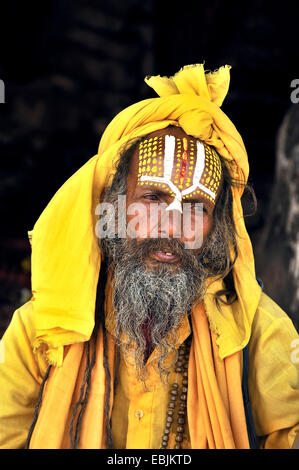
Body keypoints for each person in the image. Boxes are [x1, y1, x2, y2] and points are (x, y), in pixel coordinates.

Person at [0, 64, 298, 450]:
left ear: (216, 227)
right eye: (153, 198)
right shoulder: (41, 329)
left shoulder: (259, 333)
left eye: (194, 207)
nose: (171, 226)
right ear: (116, 205)